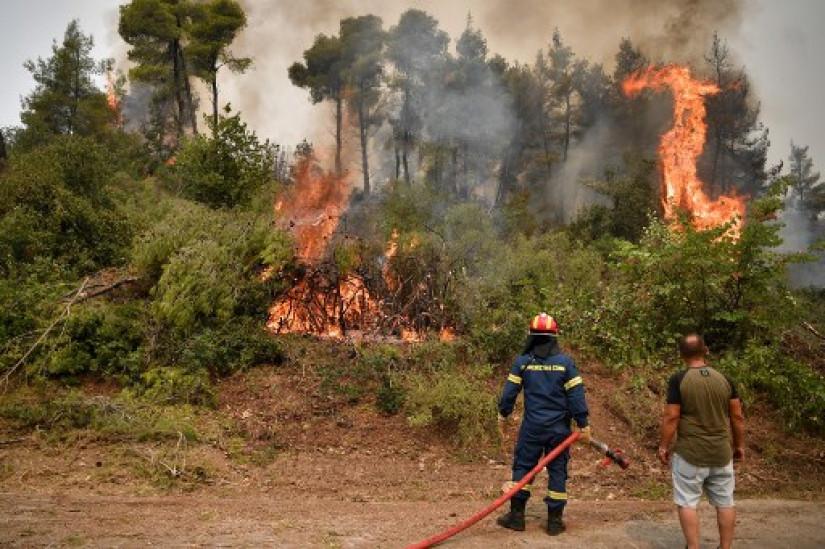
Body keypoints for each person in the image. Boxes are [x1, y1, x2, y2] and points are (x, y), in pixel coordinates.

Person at [496, 312, 591, 536]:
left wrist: (503, 413)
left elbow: (509, 393)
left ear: (531, 336)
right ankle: (555, 522)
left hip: (532, 428)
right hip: (559, 430)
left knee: (523, 467)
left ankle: (517, 517)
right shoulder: (565, 364)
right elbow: (576, 396)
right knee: (558, 470)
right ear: (554, 337)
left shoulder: (523, 363)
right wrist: (583, 423)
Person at [659, 333, 746, 549]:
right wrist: (739, 445)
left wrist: (663, 446)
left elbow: (671, 417)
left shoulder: (679, 380)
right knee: (725, 502)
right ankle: (725, 547)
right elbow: (737, 416)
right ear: (705, 350)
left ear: (681, 355)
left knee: (687, 502)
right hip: (721, 453)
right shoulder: (724, 379)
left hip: (690, 454)